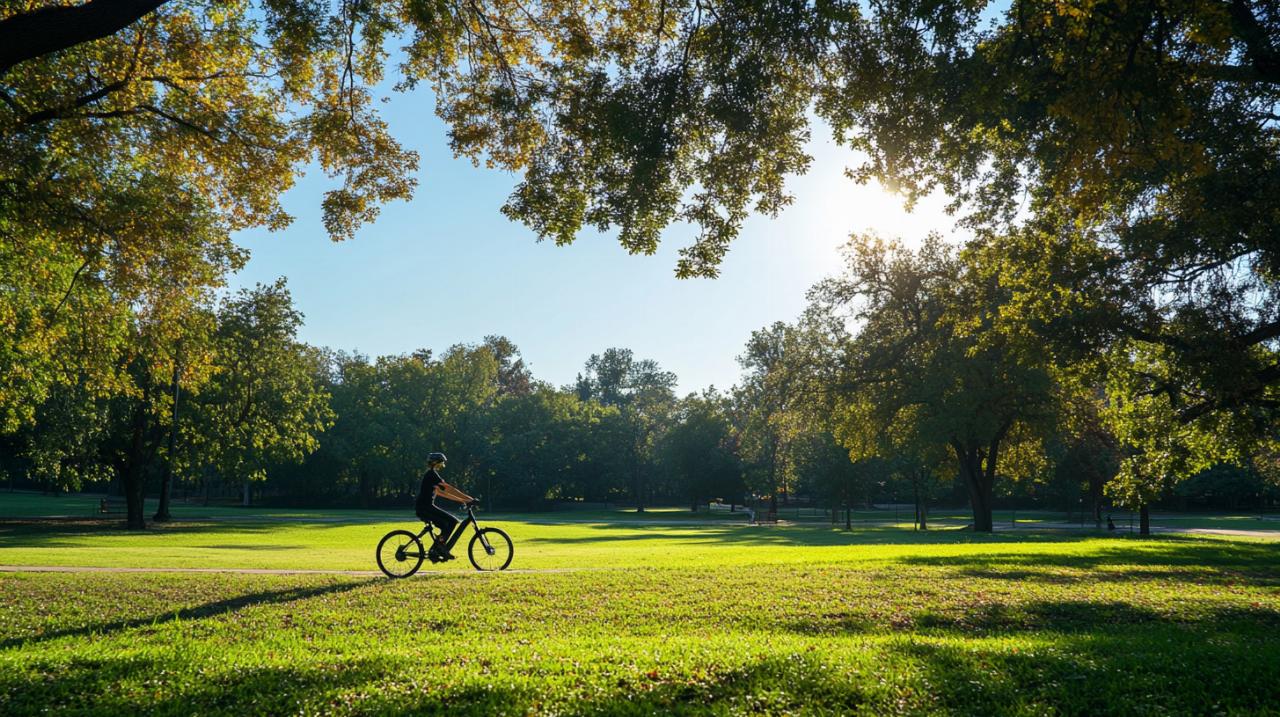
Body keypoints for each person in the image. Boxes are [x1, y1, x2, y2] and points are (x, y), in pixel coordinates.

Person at [415, 452, 475, 560]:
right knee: (451, 522)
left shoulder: (432, 475)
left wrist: (463, 500)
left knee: (448, 523)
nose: (442, 465)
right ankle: (440, 548)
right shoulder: (431, 474)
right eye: (441, 462)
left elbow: (443, 493)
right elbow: (448, 488)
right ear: (435, 462)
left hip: (426, 507)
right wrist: (469, 498)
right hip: (425, 508)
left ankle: (437, 548)